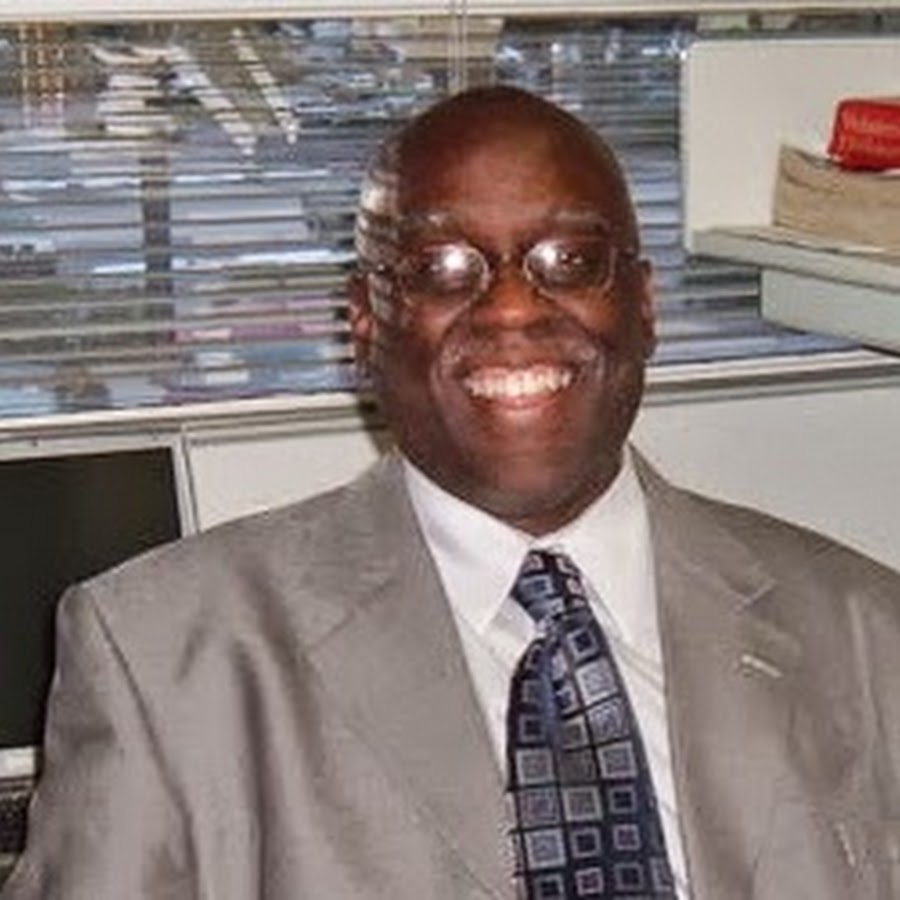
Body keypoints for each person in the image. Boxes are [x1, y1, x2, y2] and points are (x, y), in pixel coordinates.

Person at [4, 85, 900, 900]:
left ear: (644, 306)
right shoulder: (163, 661)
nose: (512, 309)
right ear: (365, 324)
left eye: (570, 259)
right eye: (440, 269)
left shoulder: (865, 631)